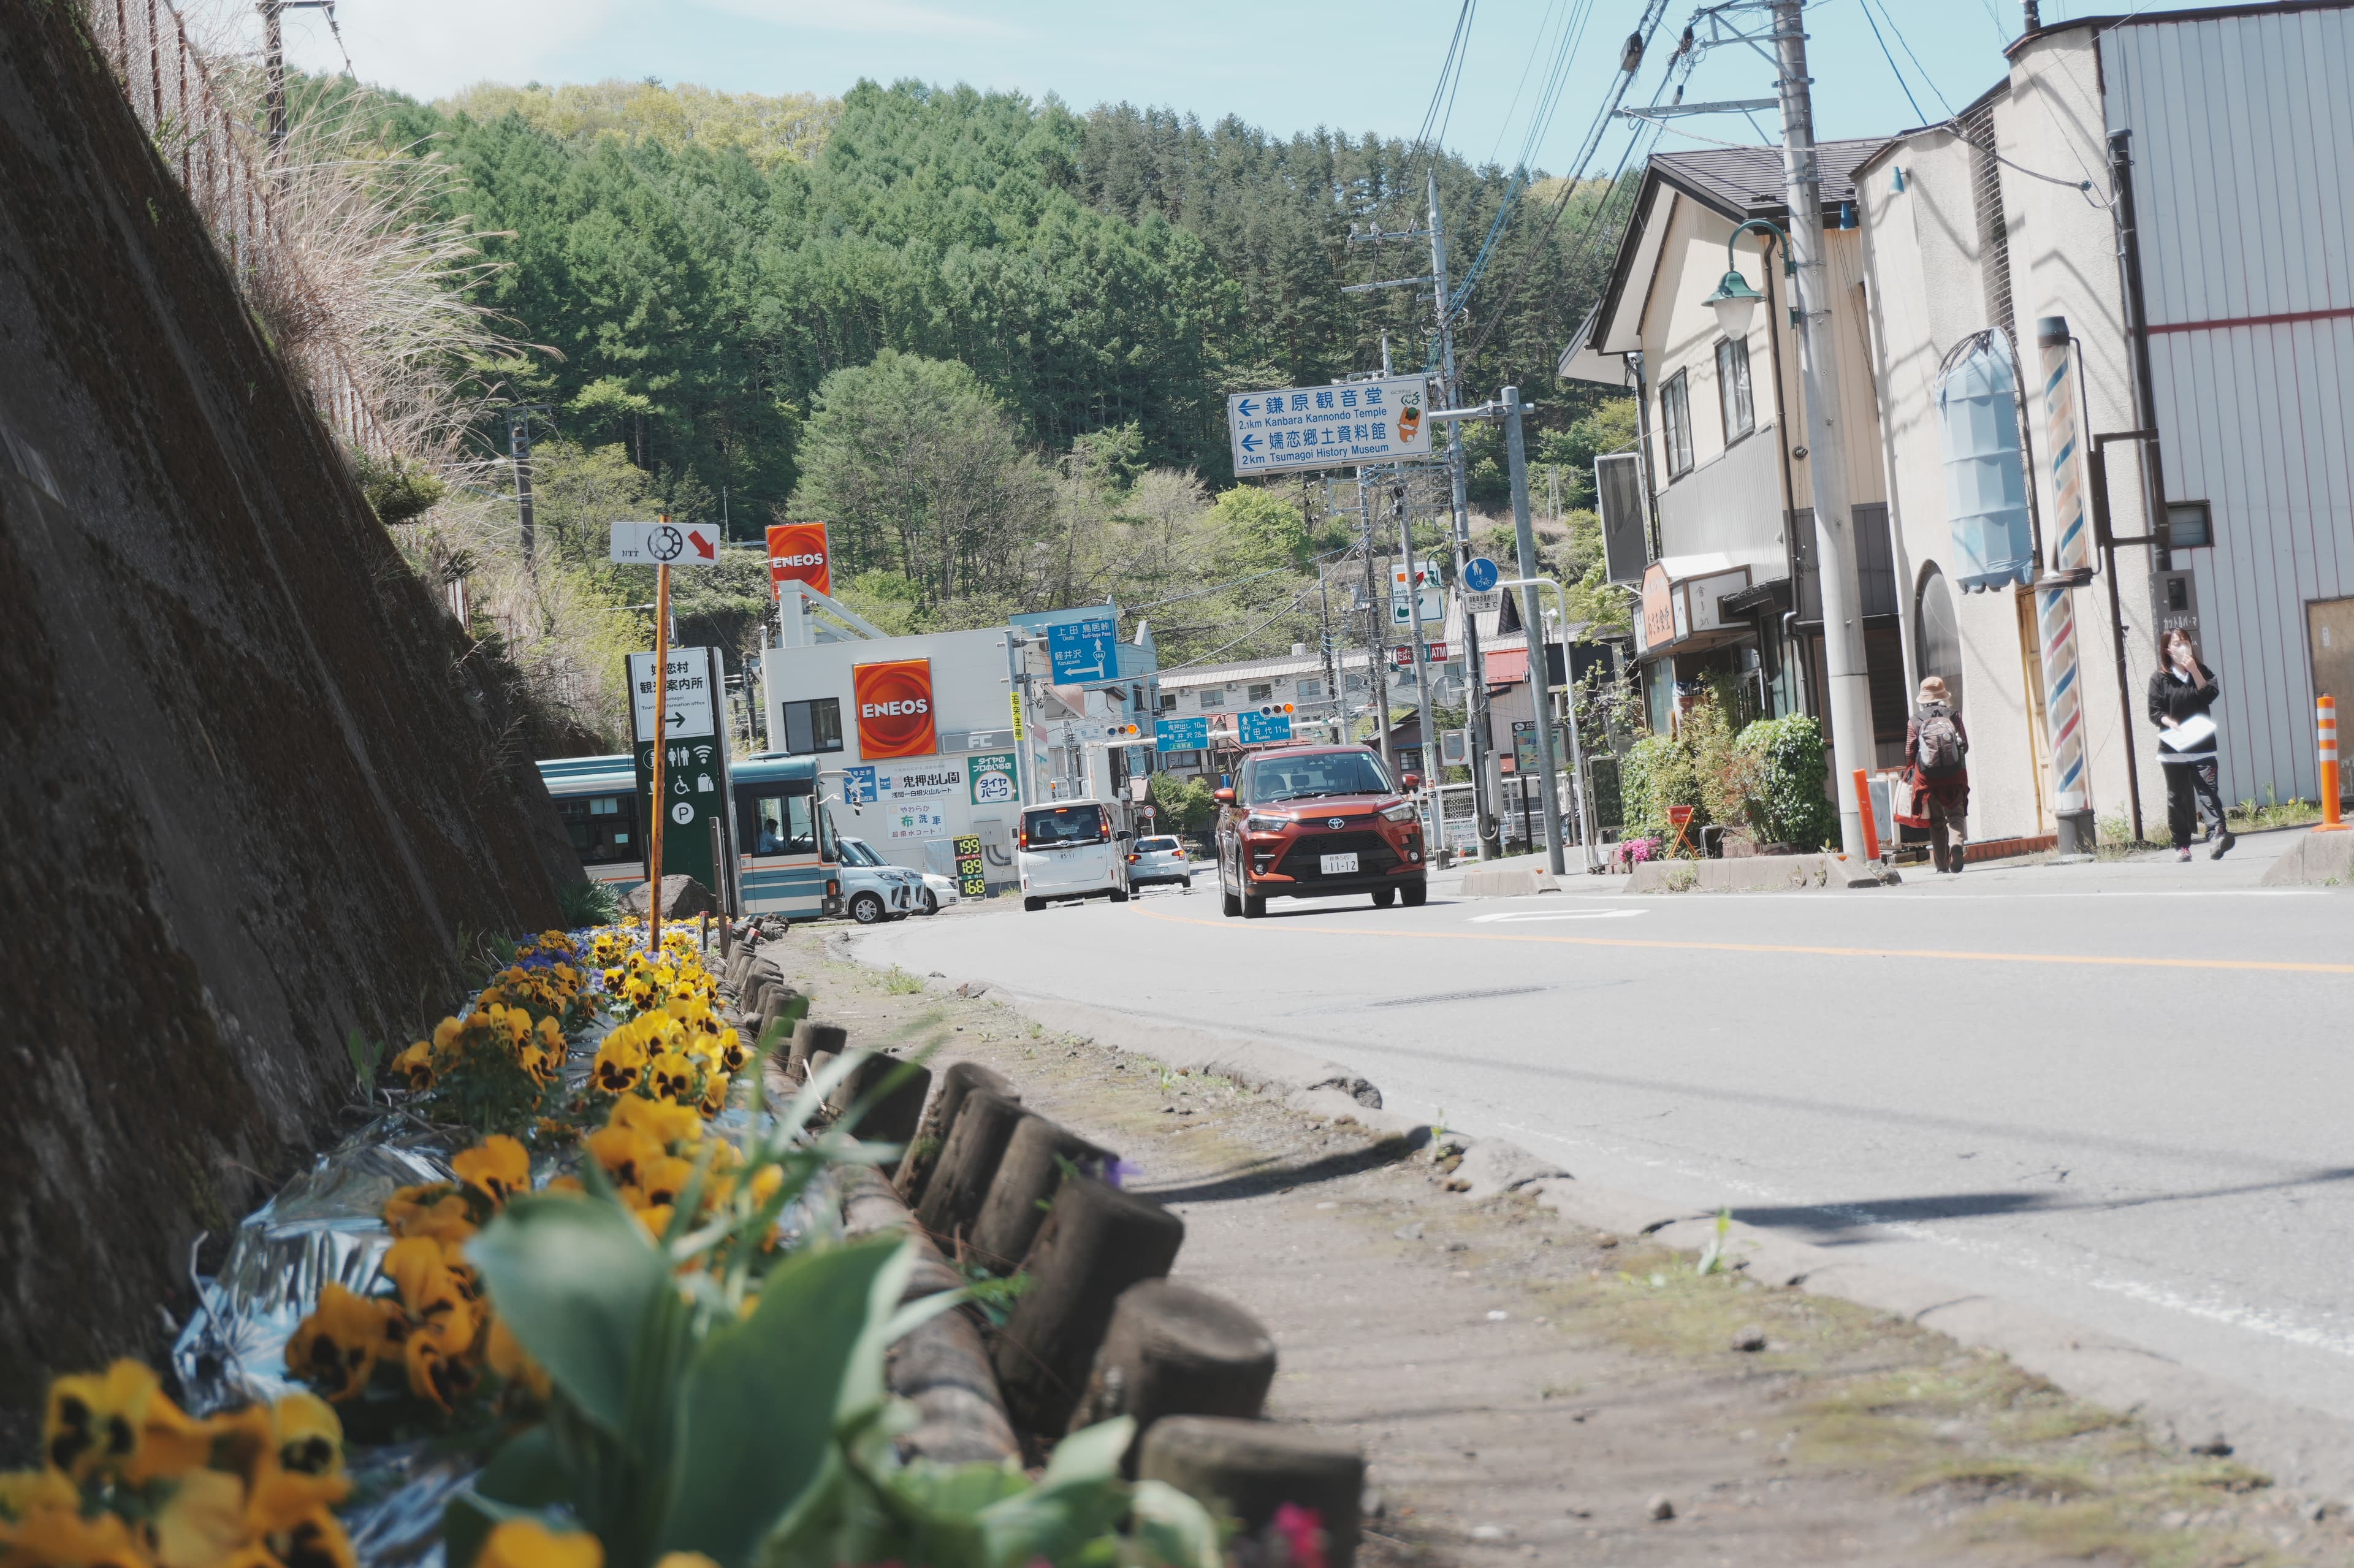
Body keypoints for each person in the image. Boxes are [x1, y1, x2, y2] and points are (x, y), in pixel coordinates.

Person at [2149, 628, 2230, 861]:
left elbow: (2210, 695)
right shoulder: (2159, 678)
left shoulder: (2202, 672)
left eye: (2185, 641)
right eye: (2177, 643)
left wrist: (2194, 670)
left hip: (2202, 745)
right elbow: (2155, 712)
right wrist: (2169, 722)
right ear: (2168, 650)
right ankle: (2182, 846)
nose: (2183, 646)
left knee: (2209, 792)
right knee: (2178, 798)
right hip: (2173, 749)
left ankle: (2217, 835)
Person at [1905, 675, 1971, 873]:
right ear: (1943, 695)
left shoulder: (1915, 720)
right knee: (1956, 813)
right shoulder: (1954, 715)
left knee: (1936, 820)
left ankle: (1942, 865)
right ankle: (1956, 845)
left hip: (1928, 777)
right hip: (1954, 774)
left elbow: (1909, 751)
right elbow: (1965, 745)